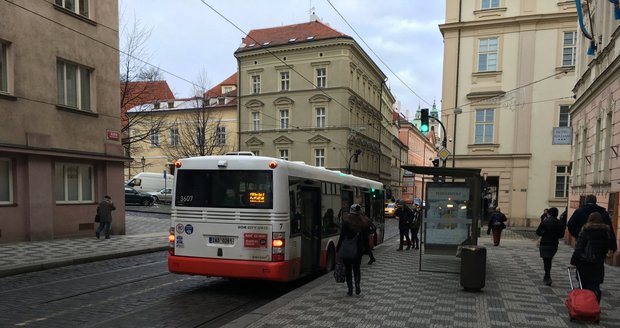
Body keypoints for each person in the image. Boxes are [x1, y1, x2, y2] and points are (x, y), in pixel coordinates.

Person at [570, 212, 617, 302]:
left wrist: (573, 261)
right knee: (595, 285)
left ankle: (584, 306)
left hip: (584, 263)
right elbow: (611, 246)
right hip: (598, 263)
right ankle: (595, 305)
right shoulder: (606, 232)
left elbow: (579, 248)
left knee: (583, 286)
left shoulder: (585, 231)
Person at [336, 203, 370, 296]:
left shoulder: (346, 222)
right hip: (358, 250)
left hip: (347, 249)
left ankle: (350, 290)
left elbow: (342, 236)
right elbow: (366, 238)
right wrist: (366, 249)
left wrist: (338, 248)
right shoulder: (363, 223)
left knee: (348, 270)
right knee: (356, 269)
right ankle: (357, 285)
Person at [535, 207, 565, 286]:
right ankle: (547, 275)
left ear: (549, 213)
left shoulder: (545, 222)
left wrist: (544, 233)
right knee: (549, 259)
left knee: (546, 260)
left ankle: (547, 275)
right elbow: (561, 235)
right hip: (554, 244)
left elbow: (538, 232)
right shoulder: (559, 223)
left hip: (544, 243)